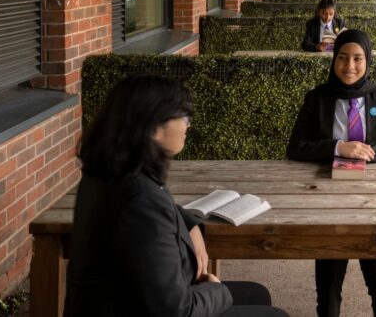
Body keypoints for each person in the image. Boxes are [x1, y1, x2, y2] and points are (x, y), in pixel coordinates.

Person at [65, 75, 289, 317]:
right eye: (184, 117)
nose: (188, 125)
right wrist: (217, 290)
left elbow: (158, 213)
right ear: (153, 127)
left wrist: (191, 225)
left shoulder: (111, 173)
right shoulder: (140, 199)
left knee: (257, 294)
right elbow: (176, 310)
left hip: (122, 301)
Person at [287, 30, 376, 317]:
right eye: (343, 58)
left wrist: (364, 152)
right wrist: (338, 147)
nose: (349, 66)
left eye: (358, 58)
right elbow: (295, 147)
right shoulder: (317, 99)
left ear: (367, 60)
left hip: (374, 206)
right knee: (328, 296)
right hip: (329, 206)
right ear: (333, 60)